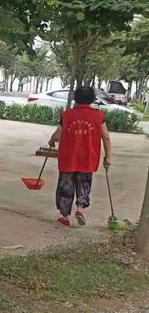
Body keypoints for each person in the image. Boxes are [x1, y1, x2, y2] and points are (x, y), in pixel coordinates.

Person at [49, 86, 112, 227]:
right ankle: (80, 208)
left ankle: (65, 217)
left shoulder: (66, 115)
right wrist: (108, 157)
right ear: (92, 99)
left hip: (68, 158)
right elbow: (106, 137)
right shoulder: (98, 115)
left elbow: (58, 134)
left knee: (66, 186)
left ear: (76, 98)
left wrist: (52, 140)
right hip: (88, 158)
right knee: (84, 184)